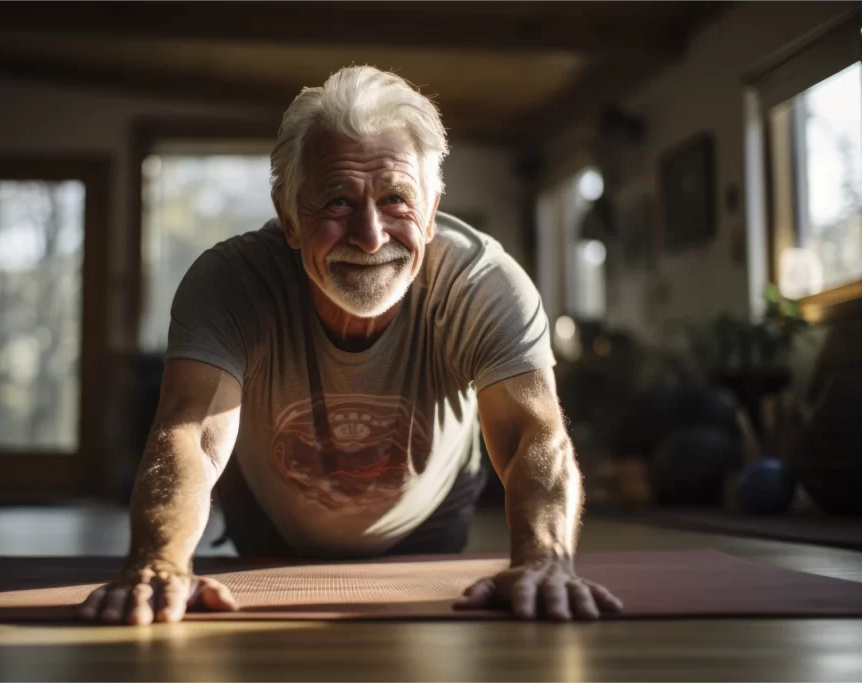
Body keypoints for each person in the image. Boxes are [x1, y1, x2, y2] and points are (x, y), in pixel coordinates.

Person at [77, 65, 622, 625]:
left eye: (395, 200)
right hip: (265, 534)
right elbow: (191, 430)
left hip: (428, 530)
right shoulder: (231, 281)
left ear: (432, 212)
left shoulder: (482, 281)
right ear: (289, 217)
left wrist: (545, 559)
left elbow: (533, 431)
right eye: (337, 202)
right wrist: (162, 562)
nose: (370, 235)